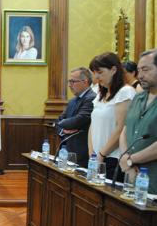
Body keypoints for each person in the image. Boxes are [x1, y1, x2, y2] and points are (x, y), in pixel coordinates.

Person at [88, 52, 136, 181]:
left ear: (113, 70)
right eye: (94, 72)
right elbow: (92, 125)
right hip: (97, 157)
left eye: (100, 72)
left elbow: (121, 128)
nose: (96, 76)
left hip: (113, 158)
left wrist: (102, 154)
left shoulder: (125, 92)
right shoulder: (100, 94)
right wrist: (92, 154)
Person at [119, 49, 157, 194]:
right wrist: (125, 160)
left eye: (146, 70)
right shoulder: (138, 98)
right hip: (131, 178)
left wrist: (131, 160)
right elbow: (125, 129)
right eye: (139, 70)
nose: (140, 75)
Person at [56, 67, 97, 167]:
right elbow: (58, 120)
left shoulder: (91, 98)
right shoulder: (72, 101)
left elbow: (79, 120)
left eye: (73, 81)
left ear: (85, 82)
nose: (69, 85)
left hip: (82, 152)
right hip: (67, 149)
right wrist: (63, 130)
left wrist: (62, 123)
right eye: (69, 81)